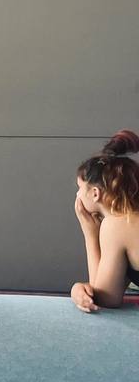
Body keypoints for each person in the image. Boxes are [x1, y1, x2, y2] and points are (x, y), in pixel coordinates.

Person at [70, 129, 139, 313]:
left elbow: (105, 299)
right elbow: (106, 289)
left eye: (79, 188)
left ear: (95, 194)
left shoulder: (117, 224)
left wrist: (90, 235)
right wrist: (81, 290)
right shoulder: (128, 220)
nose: (77, 195)